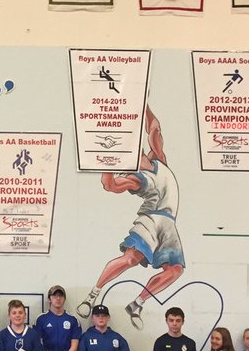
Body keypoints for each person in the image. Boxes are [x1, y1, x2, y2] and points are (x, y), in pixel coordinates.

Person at [77, 107, 185, 330]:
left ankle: (137, 303)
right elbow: (110, 186)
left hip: (169, 224)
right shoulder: (136, 178)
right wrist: (107, 164)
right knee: (130, 259)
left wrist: (141, 102)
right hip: (152, 220)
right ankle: (93, 295)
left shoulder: (159, 159)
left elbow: (154, 126)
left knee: (175, 270)